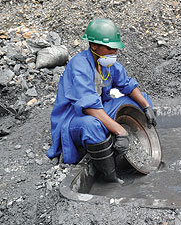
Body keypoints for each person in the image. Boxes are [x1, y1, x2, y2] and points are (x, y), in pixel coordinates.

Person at [46, 18, 157, 183]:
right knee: (92, 126)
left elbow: (127, 84)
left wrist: (147, 107)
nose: (114, 53)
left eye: (116, 49)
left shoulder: (107, 64)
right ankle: (110, 176)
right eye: (110, 48)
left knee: (139, 101)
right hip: (73, 118)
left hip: (99, 108)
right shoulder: (79, 66)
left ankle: (126, 144)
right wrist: (120, 131)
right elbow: (89, 108)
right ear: (94, 46)